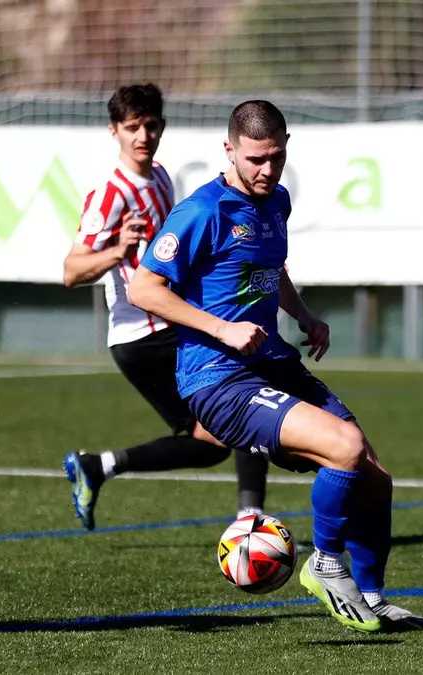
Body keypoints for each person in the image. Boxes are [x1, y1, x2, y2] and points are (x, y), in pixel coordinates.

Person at [128, 100, 423, 633]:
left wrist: (303, 315)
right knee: (344, 447)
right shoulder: (202, 212)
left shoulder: (277, 201)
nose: (267, 169)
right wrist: (222, 328)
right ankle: (325, 565)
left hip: (272, 363)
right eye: (255, 159)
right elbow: (143, 288)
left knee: (374, 477)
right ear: (229, 150)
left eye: (276, 157)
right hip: (219, 380)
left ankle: (371, 597)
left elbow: (272, 269)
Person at [60, 83, 269, 530]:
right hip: (143, 335)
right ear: (114, 131)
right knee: (246, 396)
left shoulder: (159, 176)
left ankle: (97, 466)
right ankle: (250, 523)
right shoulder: (110, 194)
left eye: (150, 125)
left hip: (169, 324)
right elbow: (71, 271)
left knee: (215, 440)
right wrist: (117, 252)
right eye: (132, 127)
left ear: (162, 127)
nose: (143, 136)